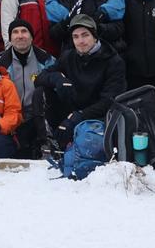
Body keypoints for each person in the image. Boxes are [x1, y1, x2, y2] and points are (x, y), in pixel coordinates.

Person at [33, 16, 126, 158]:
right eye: (75, 37)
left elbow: (109, 101)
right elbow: (39, 78)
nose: (80, 41)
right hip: (71, 109)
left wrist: (79, 116)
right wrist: (58, 79)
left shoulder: (113, 61)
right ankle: (48, 143)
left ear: (95, 36)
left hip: (98, 115)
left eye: (85, 35)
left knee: (86, 140)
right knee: (41, 93)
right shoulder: (68, 56)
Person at [0, 18, 57, 154]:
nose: (20, 36)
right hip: (12, 117)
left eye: (24, 31)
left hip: (39, 116)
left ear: (31, 37)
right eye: (15, 32)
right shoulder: (1, 64)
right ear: (10, 38)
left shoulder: (46, 60)